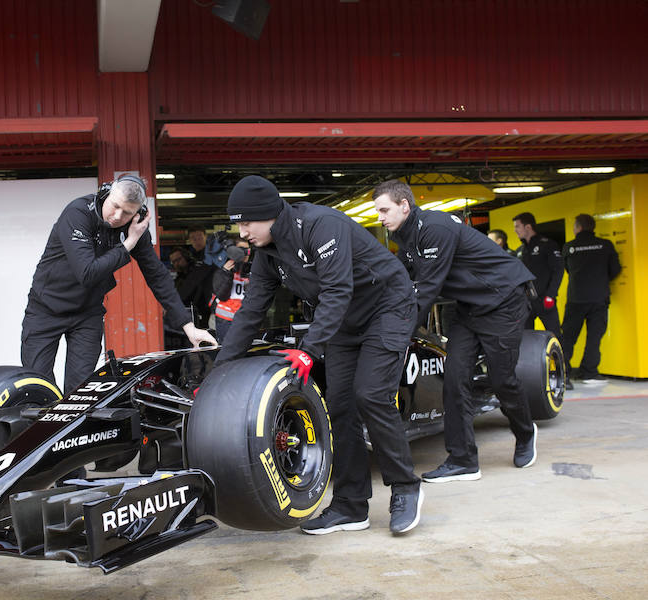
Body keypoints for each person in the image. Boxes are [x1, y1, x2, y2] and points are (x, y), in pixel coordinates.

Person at [215, 175, 423, 536]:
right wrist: (217, 373)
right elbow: (251, 312)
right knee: (339, 405)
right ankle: (350, 505)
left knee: (371, 394)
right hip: (343, 321)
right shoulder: (266, 253)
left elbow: (338, 289)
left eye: (246, 223)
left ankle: (405, 487)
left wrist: (309, 350)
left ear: (268, 215)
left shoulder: (320, 225)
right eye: (239, 225)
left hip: (387, 306)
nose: (243, 232)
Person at [373, 179, 538, 483]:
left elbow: (426, 291)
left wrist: (397, 337)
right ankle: (463, 461)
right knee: (454, 379)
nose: (380, 217)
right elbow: (396, 283)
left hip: (504, 300)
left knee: (501, 379)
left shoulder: (435, 228)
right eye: (378, 211)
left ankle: (525, 433)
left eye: (384, 210)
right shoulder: (406, 239)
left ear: (404, 206)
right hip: (469, 307)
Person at [21, 175, 216, 393]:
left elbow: (157, 276)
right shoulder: (78, 213)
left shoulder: (135, 228)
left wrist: (189, 327)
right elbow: (87, 272)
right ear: (107, 193)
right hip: (47, 308)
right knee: (37, 386)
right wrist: (129, 243)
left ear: (138, 213)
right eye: (114, 206)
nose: (117, 216)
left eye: (127, 213)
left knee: (79, 392)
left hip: (87, 313)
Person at [561, 213, 622, 384]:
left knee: (568, 337)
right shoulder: (605, 245)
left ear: (579, 228)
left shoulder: (568, 247)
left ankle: (562, 371)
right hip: (598, 298)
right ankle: (589, 372)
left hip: (576, 298)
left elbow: (568, 269)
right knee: (594, 337)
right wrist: (600, 279)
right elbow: (615, 269)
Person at [513, 212, 564, 342]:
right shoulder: (520, 251)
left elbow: (558, 270)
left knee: (555, 337)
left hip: (545, 300)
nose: (515, 230)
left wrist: (551, 295)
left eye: (517, 226)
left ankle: (562, 363)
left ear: (528, 227)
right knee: (524, 338)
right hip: (526, 302)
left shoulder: (547, 245)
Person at [164, 246, 216, 349]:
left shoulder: (198, 270)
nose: (176, 264)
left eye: (178, 260)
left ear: (186, 257)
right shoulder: (179, 279)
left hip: (206, 313)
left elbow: (185, 294)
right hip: (192, 317)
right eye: (173, 262)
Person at [211, 237, 251, 343]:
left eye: (247, 250)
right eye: (241, 250)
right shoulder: (224, 269)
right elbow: (222, 294)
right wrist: (227, 273)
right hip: (226, 320)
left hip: (245, 320)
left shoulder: (252, 269)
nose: (245, 253)